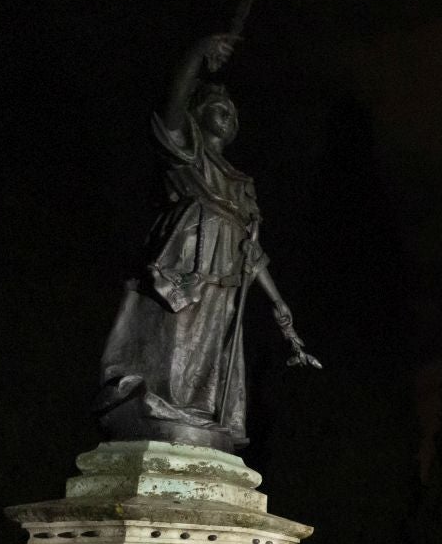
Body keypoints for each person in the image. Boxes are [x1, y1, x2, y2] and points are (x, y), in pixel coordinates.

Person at [97, 31, 319, 451]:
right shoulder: (189, 155)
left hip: (228, 278)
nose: (228, 115)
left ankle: (197, 419)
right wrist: (198, 52)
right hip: (186, 264)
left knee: (211, 358)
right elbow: (173, 105)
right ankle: (160, 411)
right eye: (218, 106)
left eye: (233, 112)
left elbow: (252, 252)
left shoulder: (241, 185)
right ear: (197, 115)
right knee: (174, 344)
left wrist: (277, 302)